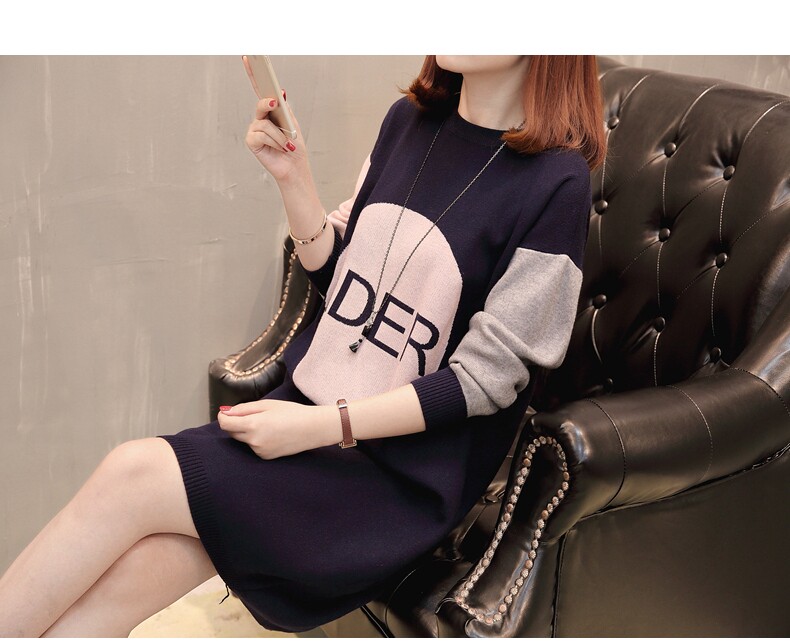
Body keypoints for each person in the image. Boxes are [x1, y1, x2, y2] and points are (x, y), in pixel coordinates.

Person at [0, 55, 605, 636]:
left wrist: (320, 428)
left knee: (132, 473)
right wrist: (295, 179)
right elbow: (347, 282)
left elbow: (485, 380)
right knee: (144, 566)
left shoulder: (557, 181)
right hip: (313, 417)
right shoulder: (409, 123)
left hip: (395, 479)